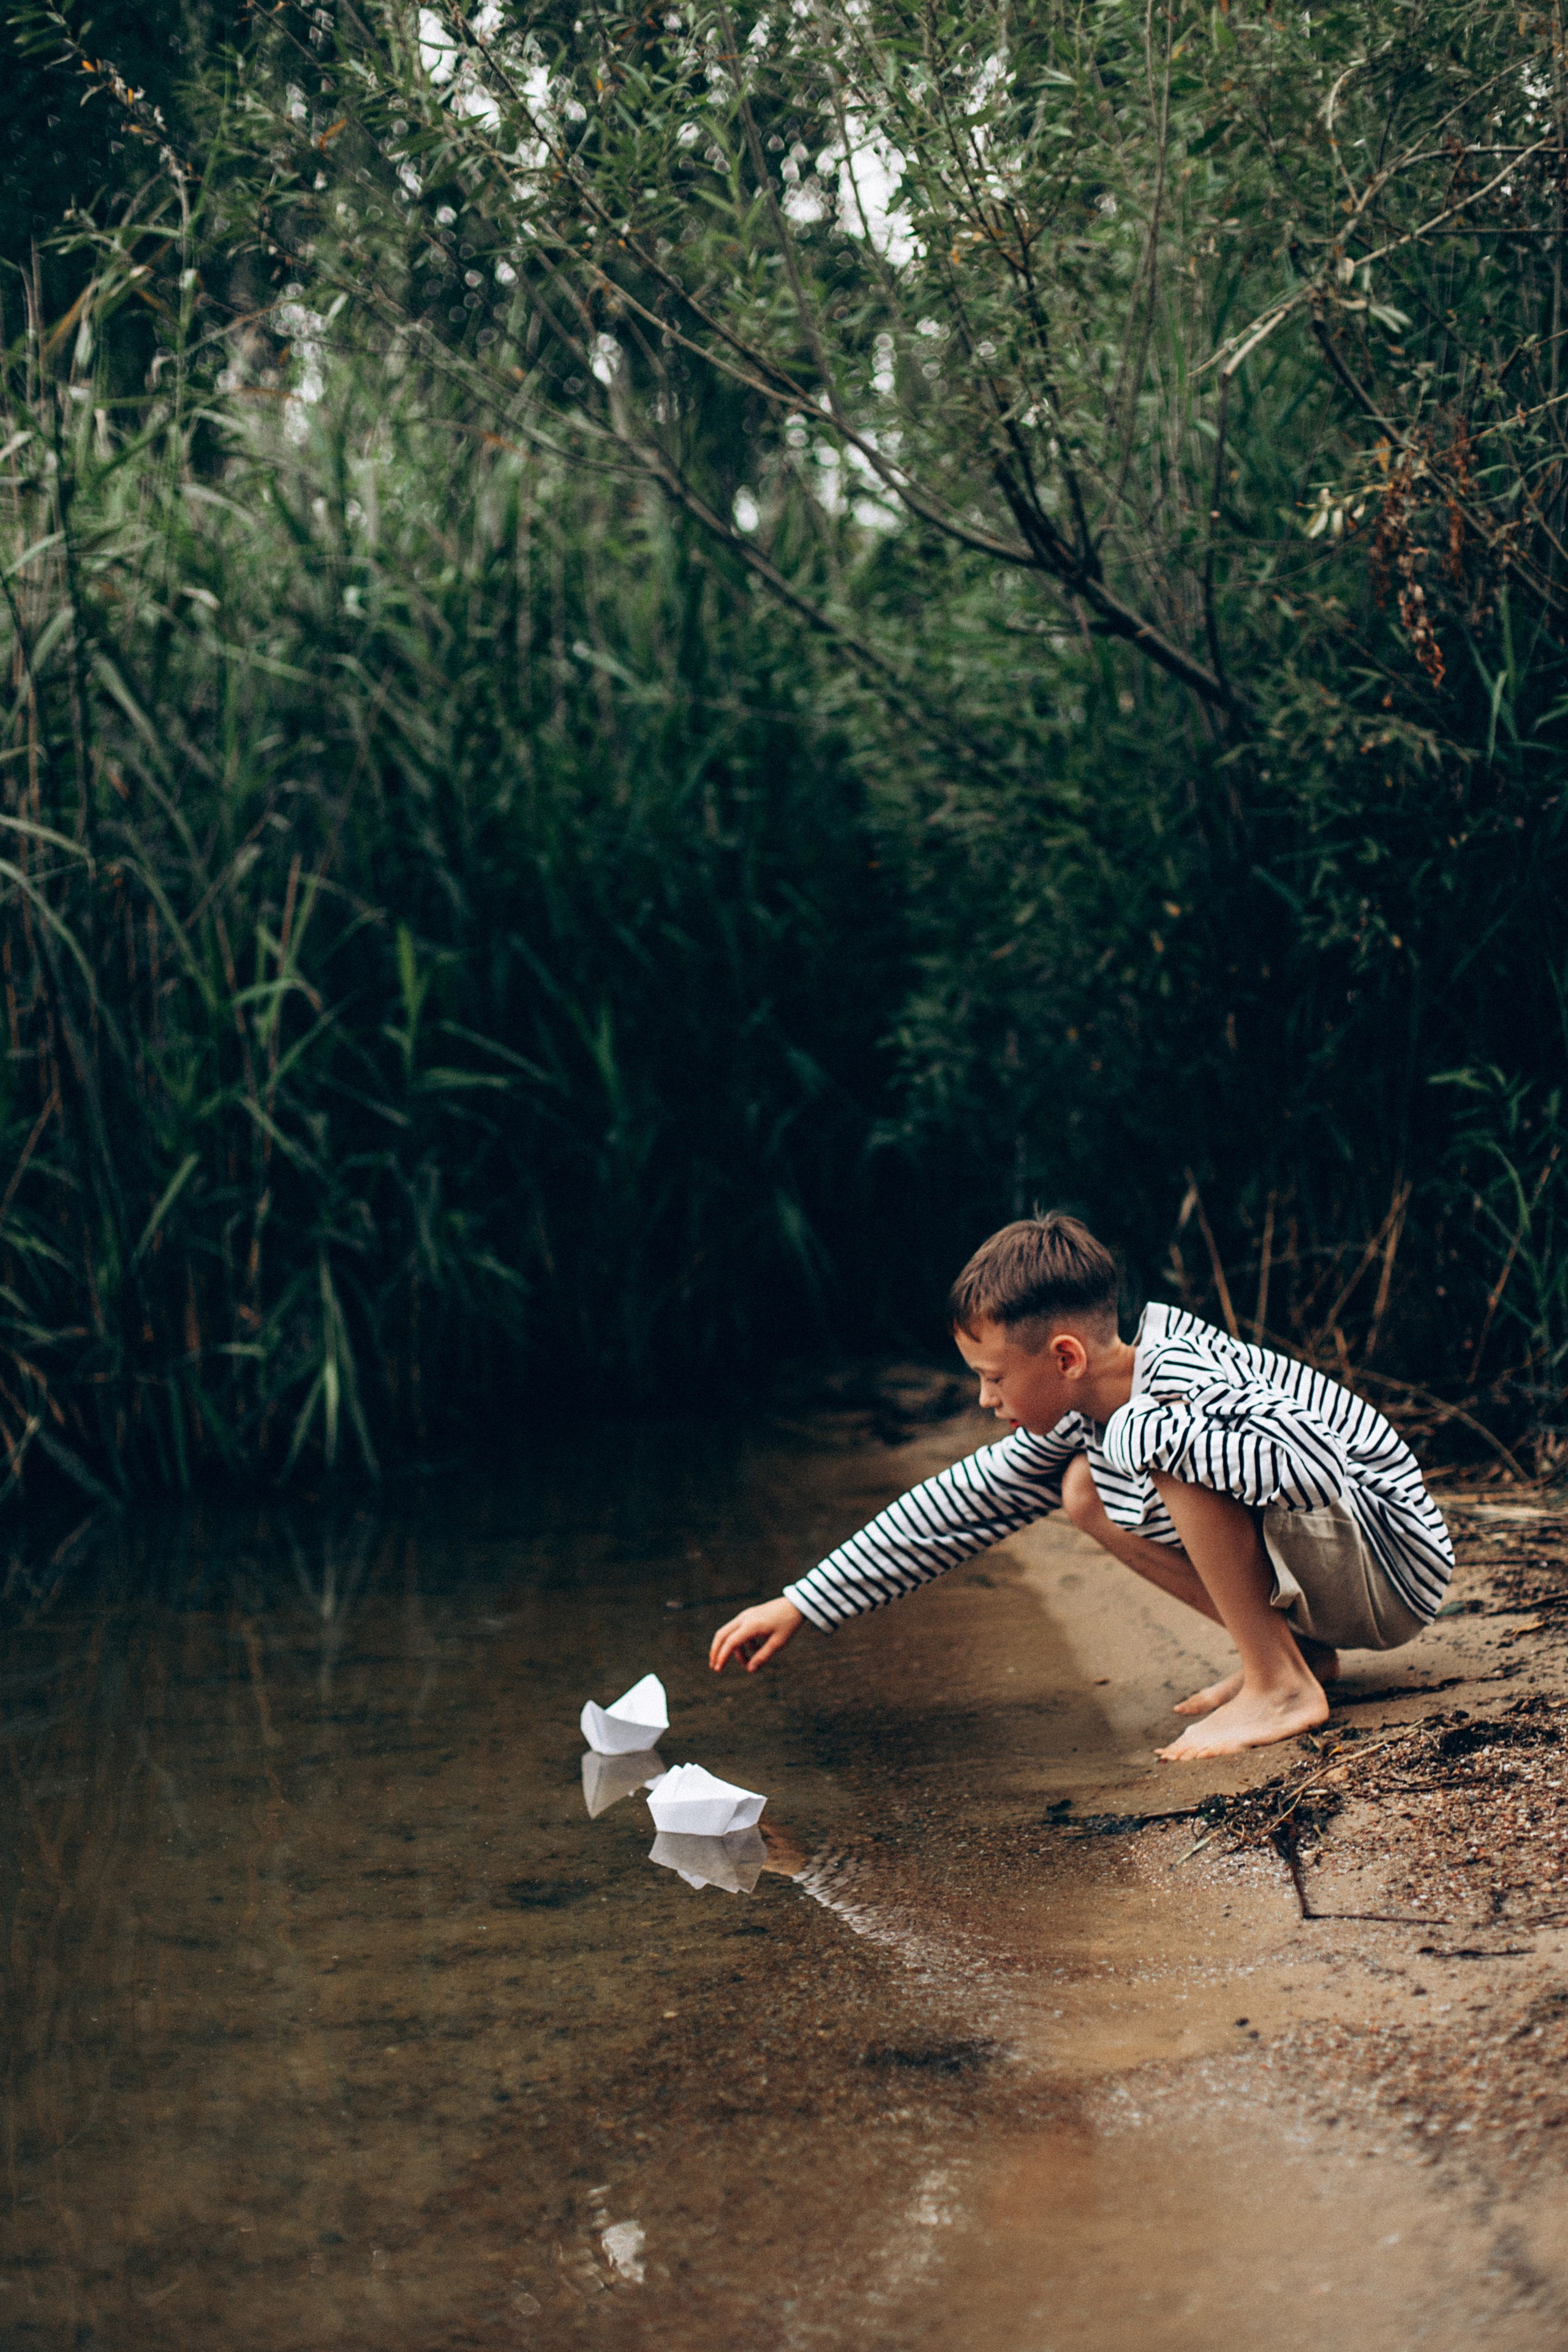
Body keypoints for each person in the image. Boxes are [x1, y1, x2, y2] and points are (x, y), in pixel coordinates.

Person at [709, 1213, 1453, 1760]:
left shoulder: (1176, 1384)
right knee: (1082, 1491)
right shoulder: (1091, 1412)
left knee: (1154, 1442)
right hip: (1337, 1569)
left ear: (1064, 1356)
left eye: (993, 1379)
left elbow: (1314, 1475)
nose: (984, 1401)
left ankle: (1279, 1685)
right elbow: (958, 1506)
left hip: (1388, 1565)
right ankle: (1295, 1653)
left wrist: (1147, 1439)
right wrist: (802, 1601)